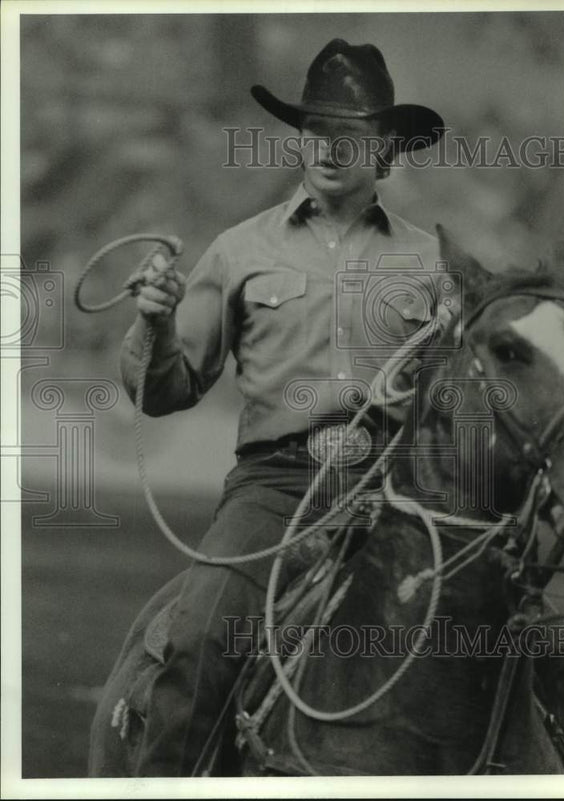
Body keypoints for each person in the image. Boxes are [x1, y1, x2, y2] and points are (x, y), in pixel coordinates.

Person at [120, 38, 448, 776]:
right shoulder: (239, 250)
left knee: (492, 637)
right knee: (202, 639)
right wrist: (153, 321)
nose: (329, 146)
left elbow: (461, 401)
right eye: (316, 129)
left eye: (350, 133)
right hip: (275, 493)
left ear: (387, 148)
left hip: (399, 495)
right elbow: (165, 389)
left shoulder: (433, 264)